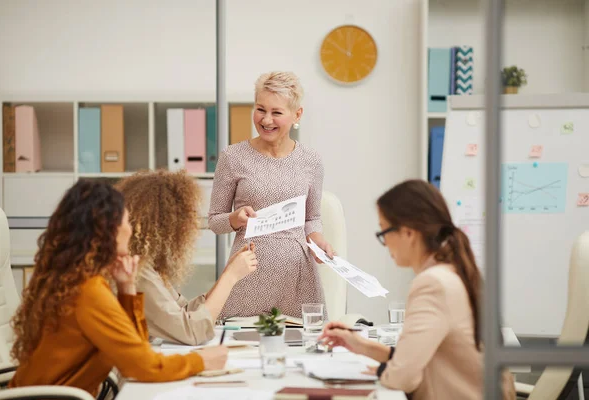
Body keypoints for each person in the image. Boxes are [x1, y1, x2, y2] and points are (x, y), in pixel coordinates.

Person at [8, 179, 228, 396]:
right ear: (110, 229)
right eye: (127, 222)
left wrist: (127, 289)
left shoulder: (78, 280)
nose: (131, 230)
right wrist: (201, 361)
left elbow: (136, 346)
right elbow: (143, 367)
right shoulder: (89, 291)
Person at [318, 180, 515, 400]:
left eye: (384, 231)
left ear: (408, 233)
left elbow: (403, 378)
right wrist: (362, 346)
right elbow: (420, 359)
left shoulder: (433, 284)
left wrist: (385, 371)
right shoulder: (456, 270)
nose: (384, 243)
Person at [208, 71, 334, 319]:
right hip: (247, 274)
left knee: (305, 349)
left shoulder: (311, 160)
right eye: (260, 109)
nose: (266, 120)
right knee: (241, 350)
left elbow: (311, 219)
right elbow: (214, 221)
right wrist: (235, 218)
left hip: (298, 277)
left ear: (297, 114)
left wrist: (319, 241)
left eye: (276, 112)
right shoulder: (232, 157)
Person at [114, 169, 258, 345]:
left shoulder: (146, 266)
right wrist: (230, 277)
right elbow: (191, 332)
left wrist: (229, 270)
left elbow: (184, 311)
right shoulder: (137, 272)